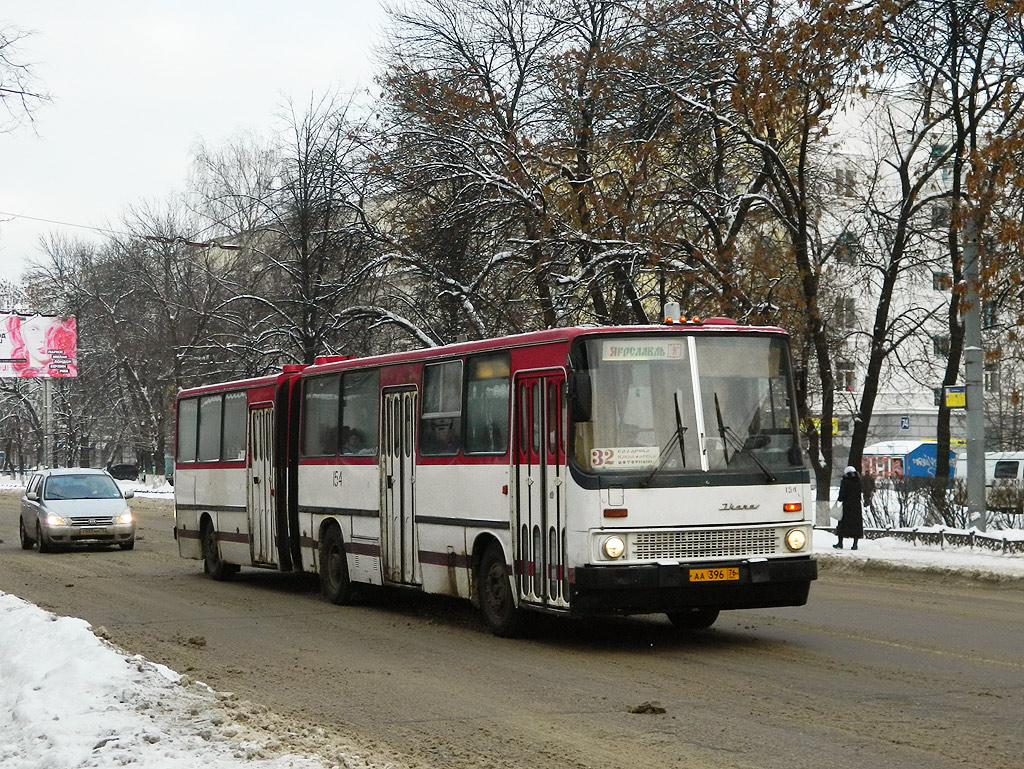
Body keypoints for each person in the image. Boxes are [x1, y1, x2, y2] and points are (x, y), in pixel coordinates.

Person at [834, 465, 864, 550]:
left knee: (842, 524)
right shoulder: (858, 482)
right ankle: (855, 544)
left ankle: (840, 543)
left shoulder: (845, 481)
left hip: (847, 507)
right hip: (857, 507)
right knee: (856, 525)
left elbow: (841, 496)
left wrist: (840, 499)